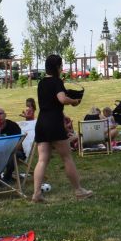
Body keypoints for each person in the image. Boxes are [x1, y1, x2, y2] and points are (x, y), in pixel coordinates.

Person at [32, 54, 93, 202]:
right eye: (60, 66)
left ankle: (36, 194)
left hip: (41, 122)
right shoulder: (57, 81)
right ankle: (79, 190)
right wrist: (74, 101)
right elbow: (62, 99)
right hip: (53, 123)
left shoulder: (41, 83)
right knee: (66, 158)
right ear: (57, 67)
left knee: (42, 160)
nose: (61, 68)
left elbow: (50, 102)